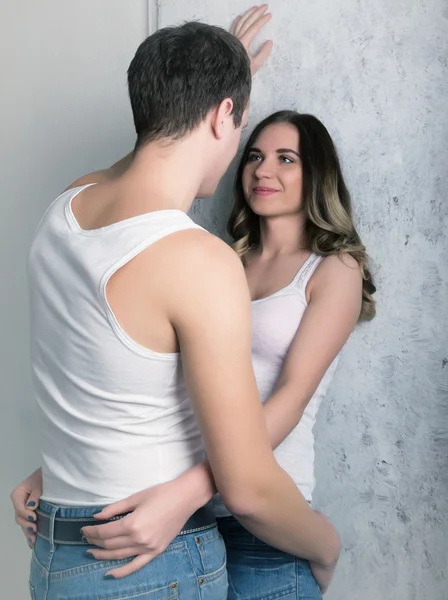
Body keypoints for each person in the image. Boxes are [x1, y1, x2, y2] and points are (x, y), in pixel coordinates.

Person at [10, 7, 341, 600]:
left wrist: (223, 79)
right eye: (240, 131)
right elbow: (247, 489)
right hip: (153, 564)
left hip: (58, 552)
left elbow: (146, 160)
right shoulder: (201, 262)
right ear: (224, 118)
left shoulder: (67, 206)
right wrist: (326, 546)